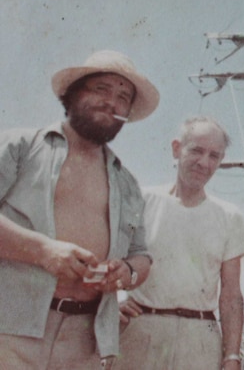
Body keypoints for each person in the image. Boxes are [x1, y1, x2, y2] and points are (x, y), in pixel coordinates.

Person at [0, 50, 159, 369]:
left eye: (123, 96)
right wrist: (43, 251)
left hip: (86, 342)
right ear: (72, 93)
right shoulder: (21, 146)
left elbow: (142, 254)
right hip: (9, 329)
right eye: (101, 89)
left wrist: (126, 273)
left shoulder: (127, 183)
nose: (111, 102)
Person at [117, 116, 244, 369]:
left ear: (221, 161)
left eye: (214, 156)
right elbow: (106, 259)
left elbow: (232, 295)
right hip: (140, 329)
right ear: (176, 149)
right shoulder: (140, 202)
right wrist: (110, 305)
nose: (204, 162)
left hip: (200, 338)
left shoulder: (229, 216)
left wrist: (232, 356)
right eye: (197, 151)